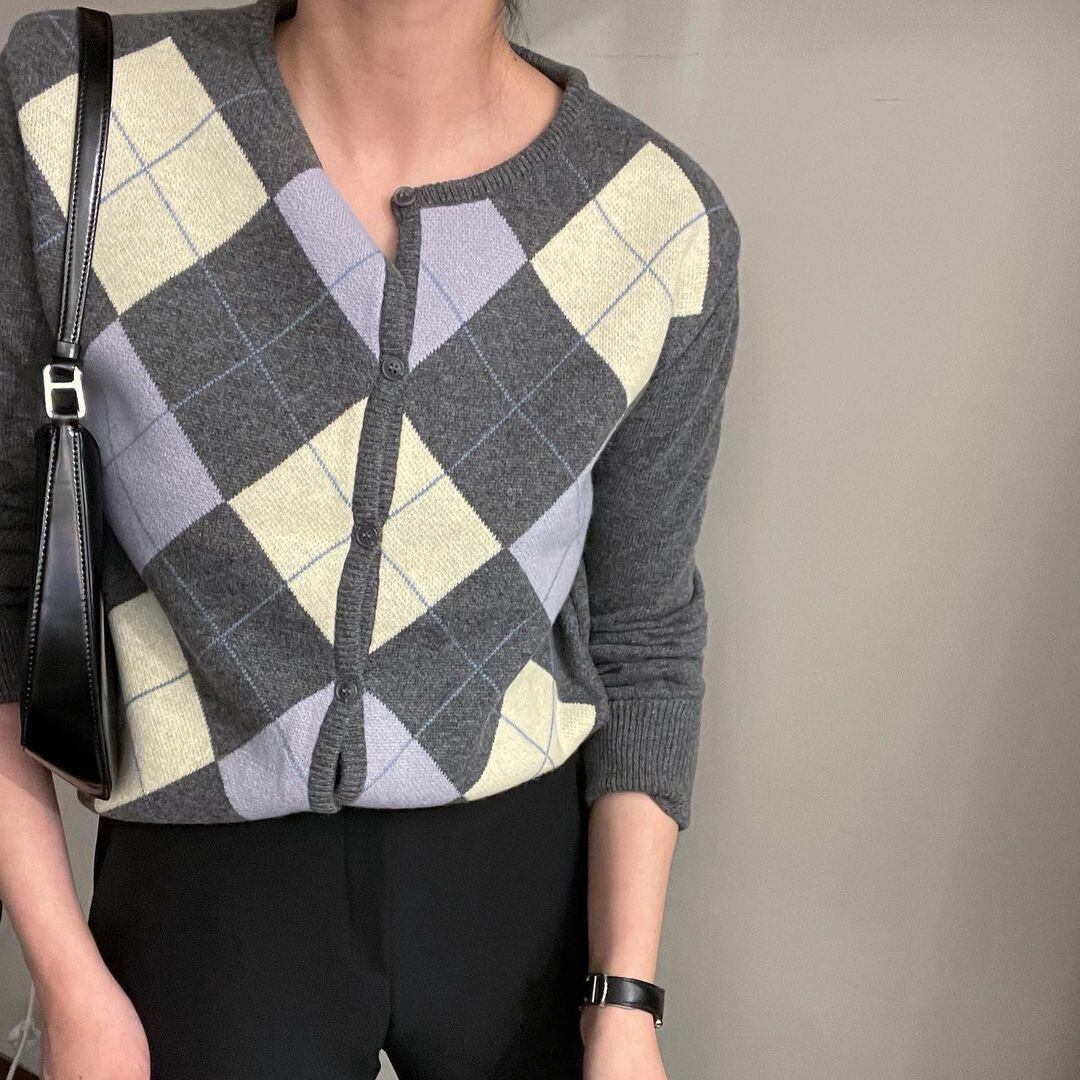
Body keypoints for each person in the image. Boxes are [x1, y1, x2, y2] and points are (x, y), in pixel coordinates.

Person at [0, 0, 741, 1076]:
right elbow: (5, 577)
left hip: (522, 886)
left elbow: (644, 634)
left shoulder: (658, 221)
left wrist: (624, 1001)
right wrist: (66, 981)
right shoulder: (80, 111)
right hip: (207, 895)